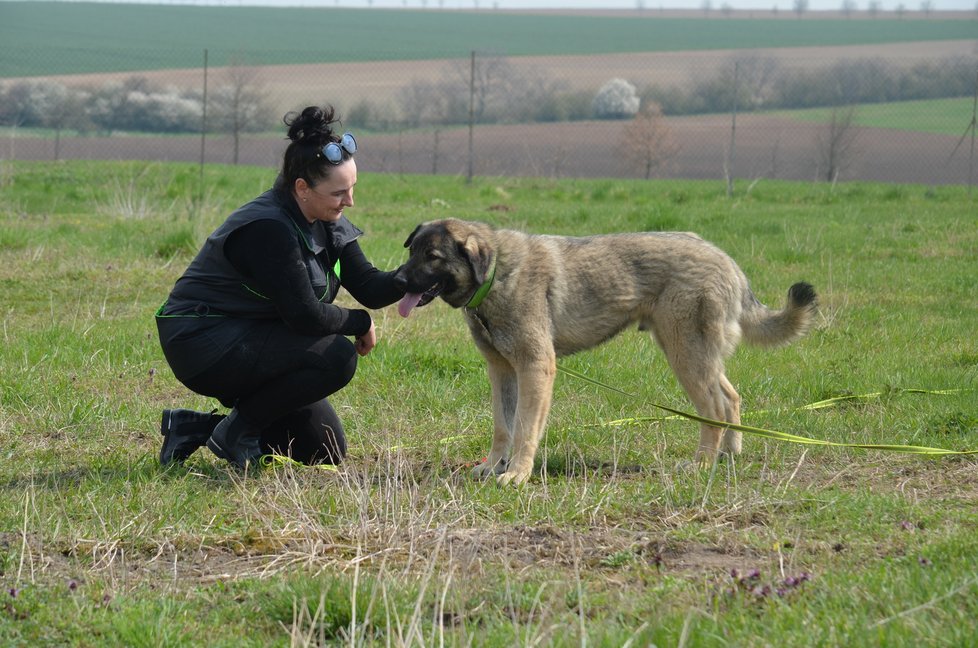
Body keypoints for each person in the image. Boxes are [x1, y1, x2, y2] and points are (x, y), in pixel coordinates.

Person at [155, 105, 404, 469]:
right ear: (302, 188)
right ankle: (235, 433)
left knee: (323, 448)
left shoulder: (325, 217)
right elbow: (305, 316)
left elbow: (368, 285)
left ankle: (197, 427)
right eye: (339, 192)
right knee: (337, 356)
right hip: (202, 340)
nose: (349, 201)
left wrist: (419, 275)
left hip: (252, 335)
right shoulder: (269, 228)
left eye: (352, 189)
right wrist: (360, 323)